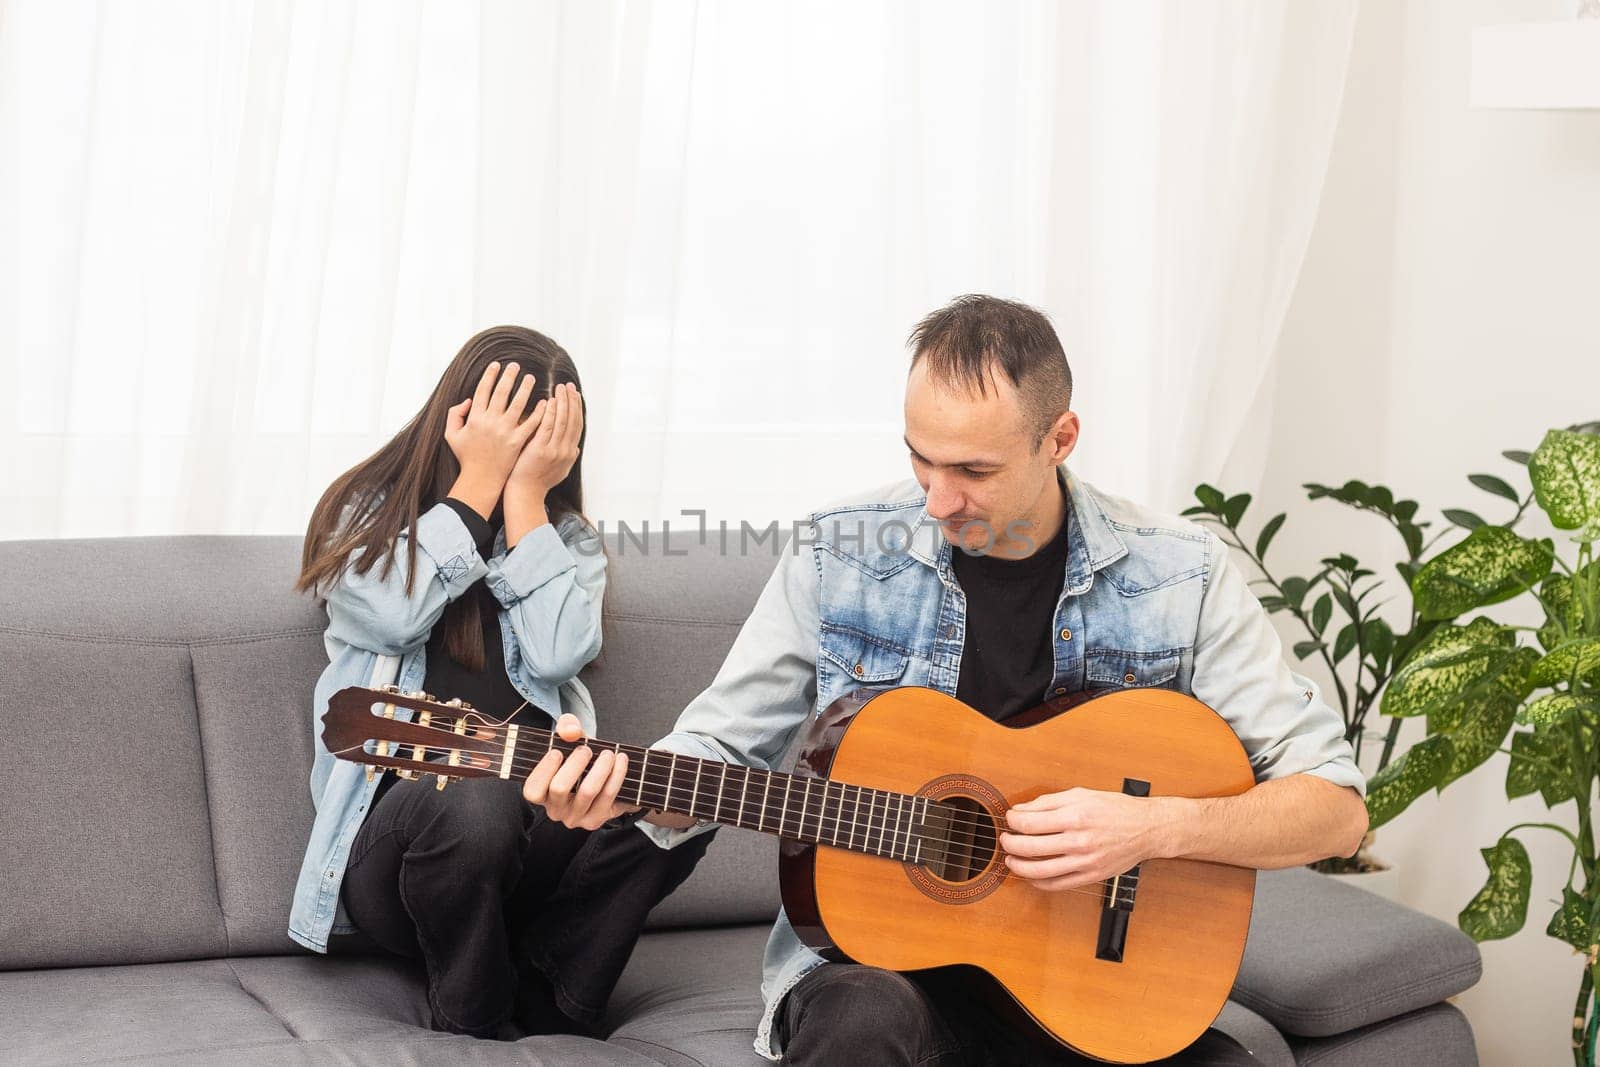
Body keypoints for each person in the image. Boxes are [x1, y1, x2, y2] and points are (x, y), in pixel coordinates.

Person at [525, 296, 1368, 1064]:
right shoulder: (840, 552)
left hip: (1095, 993)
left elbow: (1335, 806)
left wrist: (1149, 828)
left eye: (973, 471)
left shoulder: (1179, 573)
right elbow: (720, 744)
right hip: (875, 970)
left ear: (1059, 438)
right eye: (921, 460)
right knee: (864, 1023)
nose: (935, 500)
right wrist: (623, 788)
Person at [288, 325, 708, 1040]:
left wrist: (525, 503)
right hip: (399, 852)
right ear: (459, 420)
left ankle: (558, 993)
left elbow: (554, 656)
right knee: (472, 797)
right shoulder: (366, 514)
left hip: (533, 838)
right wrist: (475, 484)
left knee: (688, 793)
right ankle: (474, 1021)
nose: (519, 459)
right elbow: (390, 614)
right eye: (505, 438)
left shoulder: (565, 540)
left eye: (537, 448)